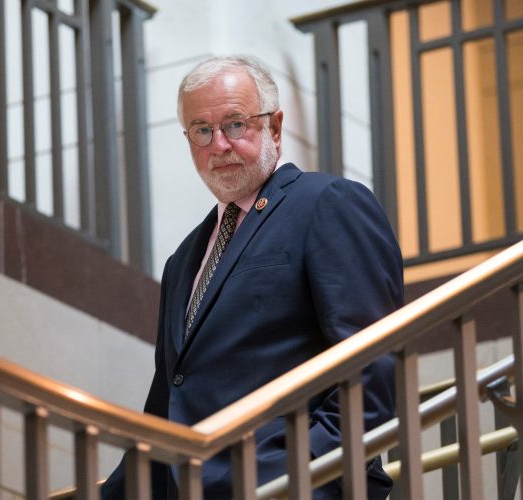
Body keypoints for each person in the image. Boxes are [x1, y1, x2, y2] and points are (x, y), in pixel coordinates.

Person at [101, 54, 403, 499]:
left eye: (235, 124)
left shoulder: (327, 202)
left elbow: (373, 364)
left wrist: (295, 470)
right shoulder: (182, 260)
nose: (218, 145)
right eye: (201, 130)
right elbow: (168, 405)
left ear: (275, 129)